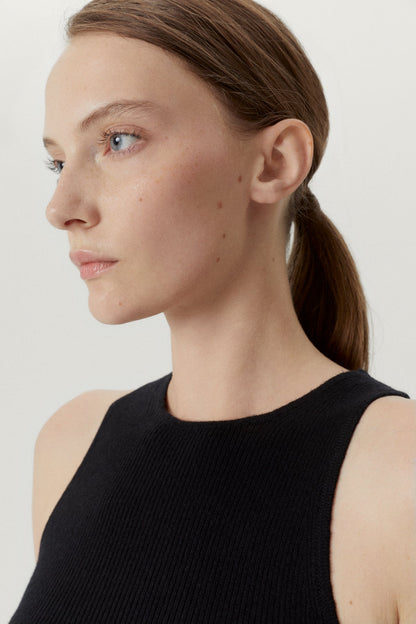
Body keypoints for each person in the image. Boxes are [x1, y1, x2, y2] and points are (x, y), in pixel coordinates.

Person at [9, 0, 415, 622]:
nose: (61, 207)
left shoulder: (398, 475)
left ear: (275, 162)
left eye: (119, 140)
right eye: (58, 161)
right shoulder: (72, 447)